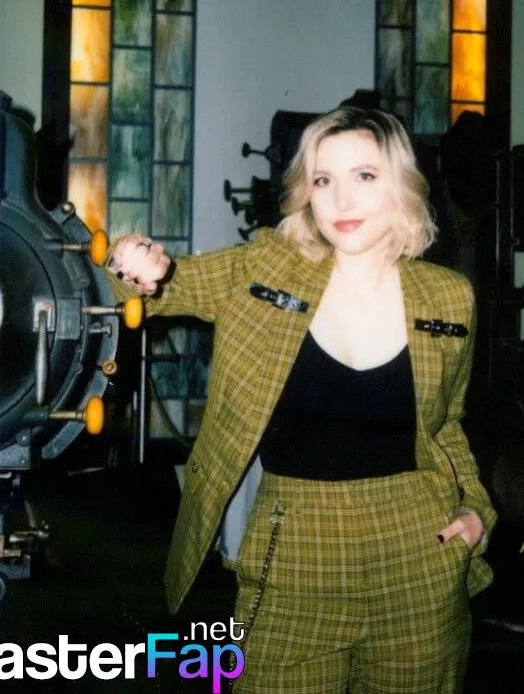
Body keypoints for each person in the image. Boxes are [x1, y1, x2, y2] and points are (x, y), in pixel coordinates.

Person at [108, 105, 497, 694]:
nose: (341, 199)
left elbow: (447, 427)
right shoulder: (266, 270)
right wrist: (130, 262)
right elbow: (158, 288)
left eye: (364, 176)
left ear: (401, 183)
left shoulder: (448, 297)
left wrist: (475, 513)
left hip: (419, 550)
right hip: (293, 546)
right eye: (323, 179)